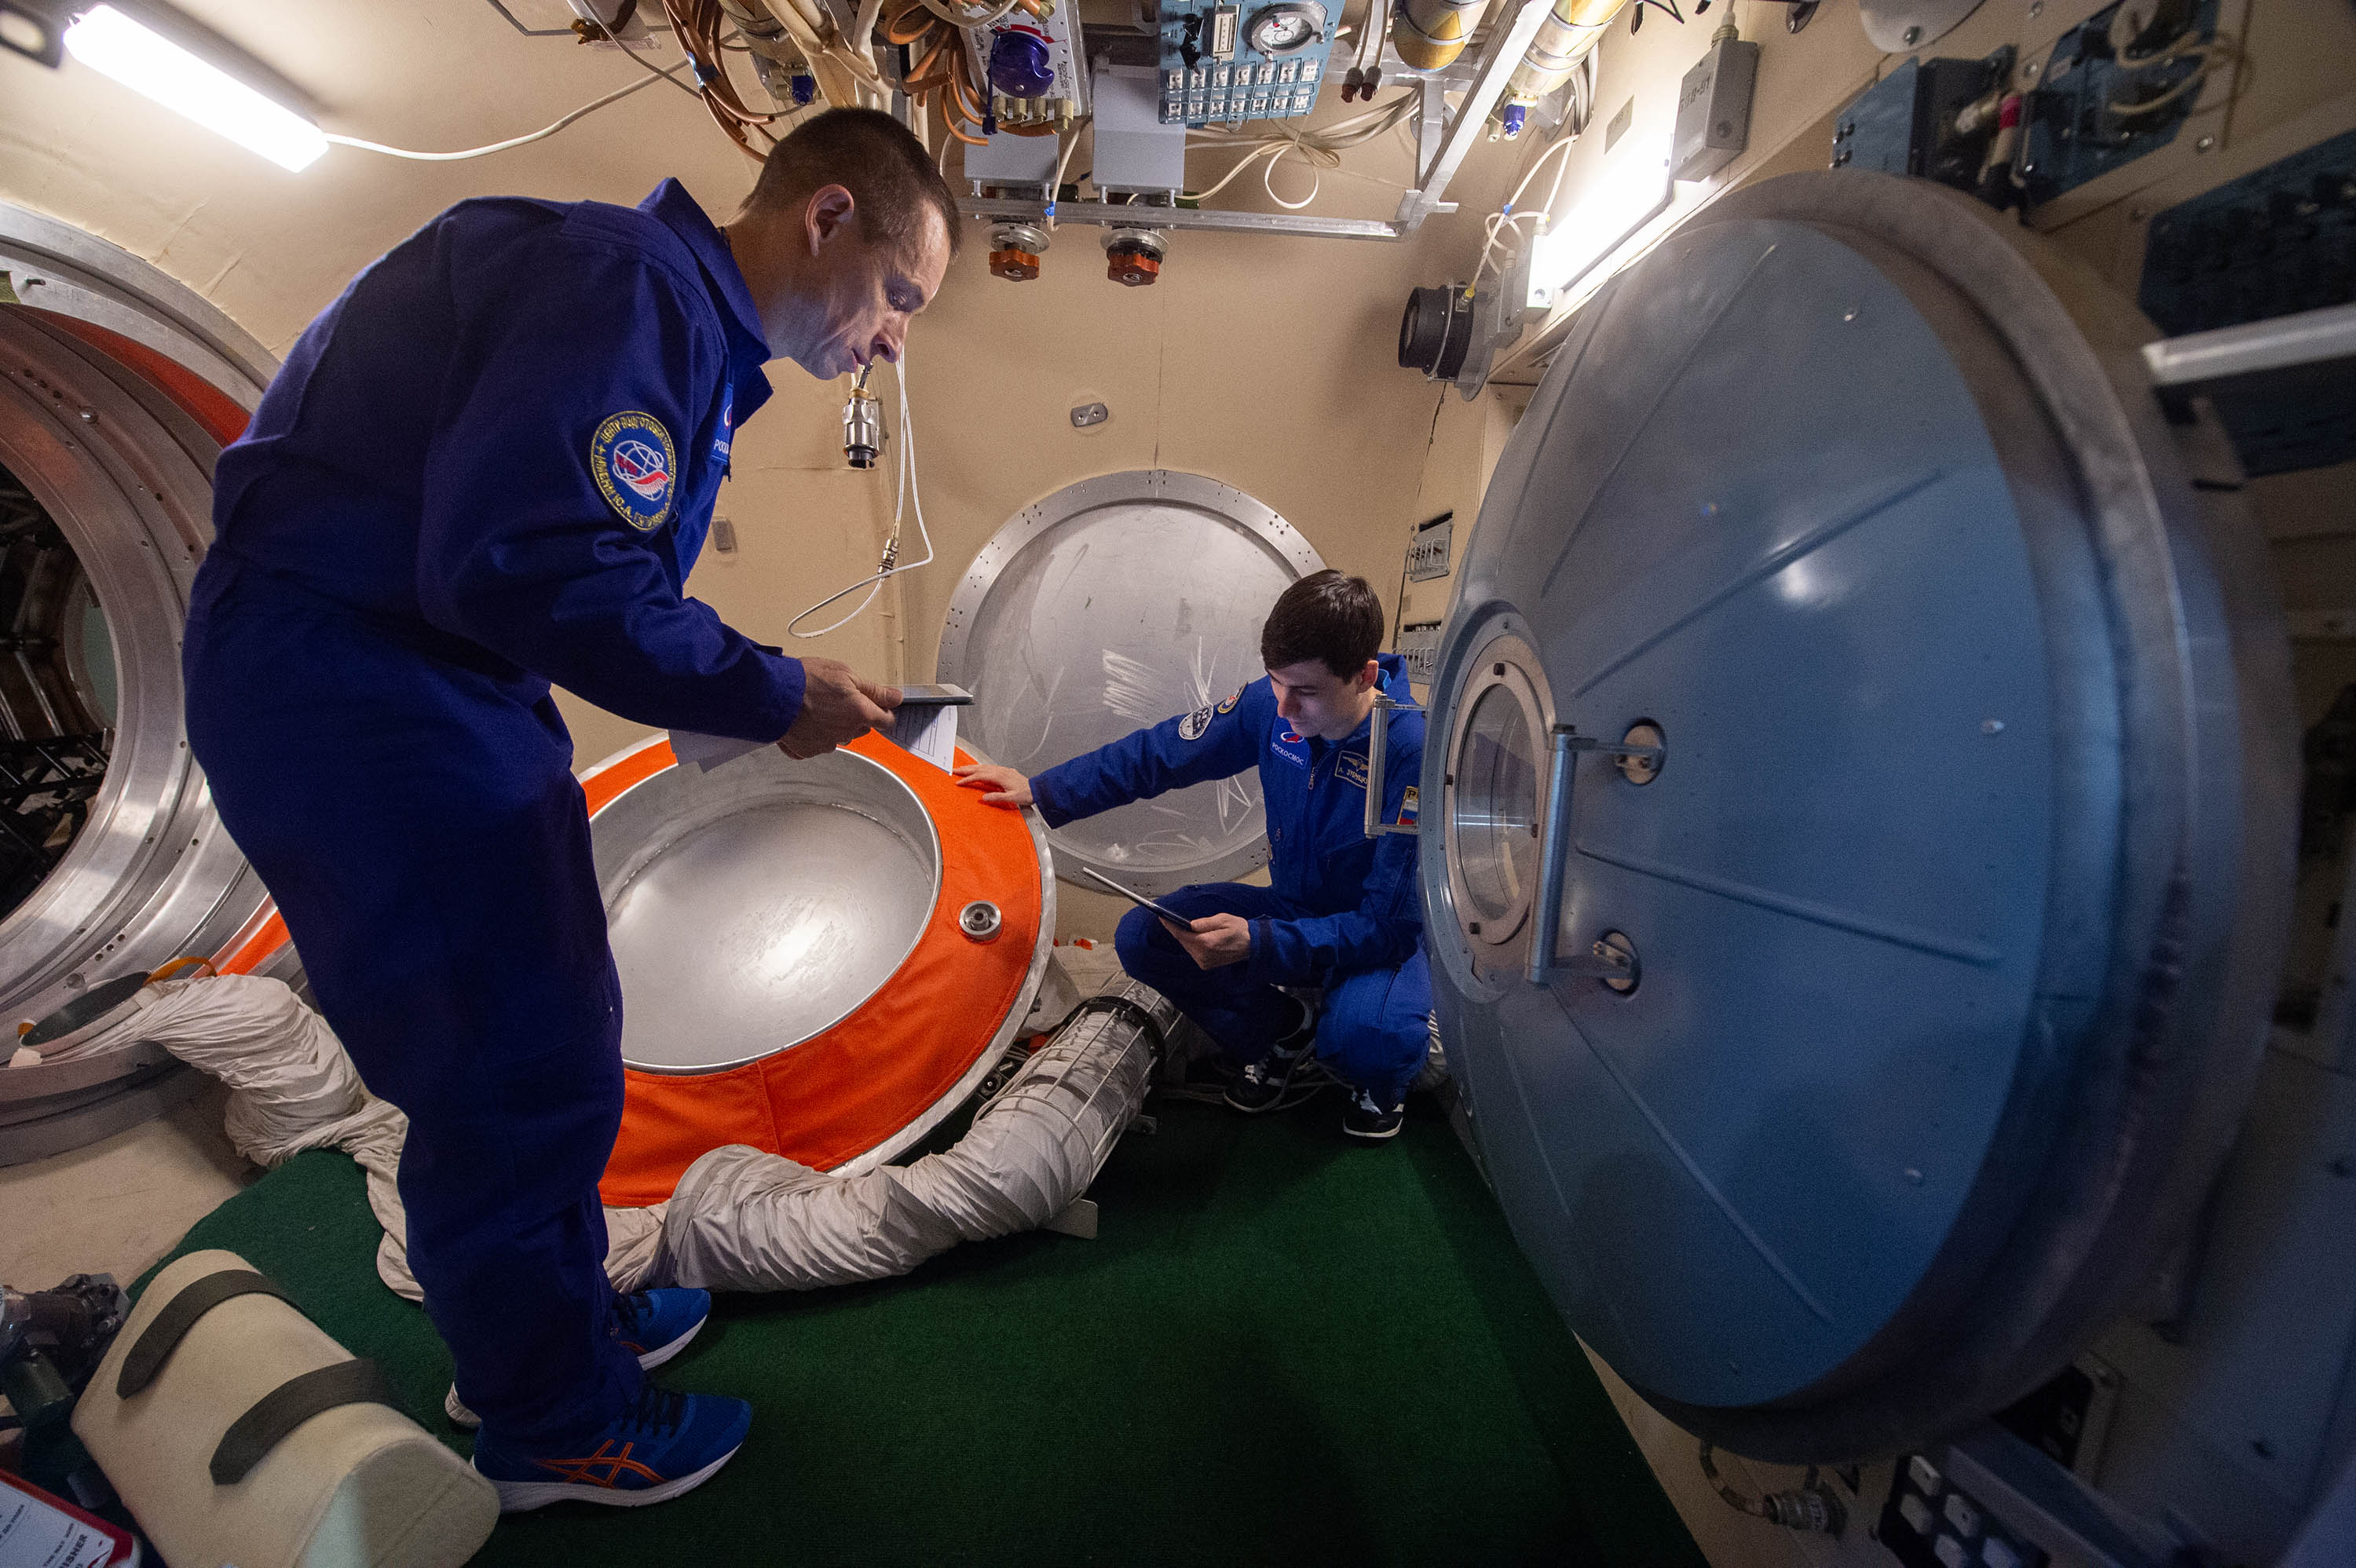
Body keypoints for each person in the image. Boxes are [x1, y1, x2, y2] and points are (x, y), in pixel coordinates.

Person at [181, 108, 957, 1511]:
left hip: (422, 676)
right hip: (356, 686)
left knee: (551, 1024)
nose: (895, 338)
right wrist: (769, 688)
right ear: (828, 216)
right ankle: (549, 1422)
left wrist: (762, 687)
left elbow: (562, 564)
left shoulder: (668, 323)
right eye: (899, 294)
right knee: (505, 1060)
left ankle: (544, 1329)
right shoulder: (622, 284)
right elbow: (533, 564)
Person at [957, 571, 1431, 1139]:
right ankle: (1284, 1031)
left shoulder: (1411, 751)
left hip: (1373, 937)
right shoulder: (1270, 705)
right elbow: (1160, 754)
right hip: (1295, 907)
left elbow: (1389, 929)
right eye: (1275, 681)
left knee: (1369, 1040)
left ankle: (1377, 1084)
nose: (1283, 707)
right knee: (1146, 935)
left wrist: (1260, 942)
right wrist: (1044, 790)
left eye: (1305, 691)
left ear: (1365, 676)